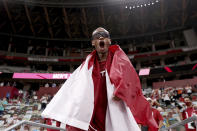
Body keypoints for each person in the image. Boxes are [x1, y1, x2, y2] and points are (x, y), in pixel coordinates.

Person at [42, 27, 158, 131]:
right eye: (97, 37)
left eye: (104, 35)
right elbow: (72, 87)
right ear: (93, 43)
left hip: (114, 107)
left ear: (109, 41)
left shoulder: (120, 60)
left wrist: (122, 90)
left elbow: (131, 81)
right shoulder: (86, 66)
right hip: (92, 112)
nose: (101, 37)